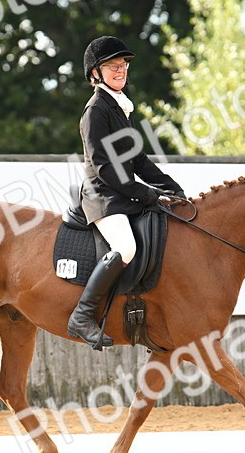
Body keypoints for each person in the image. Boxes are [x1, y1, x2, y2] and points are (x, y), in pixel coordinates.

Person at [66, 36, 185, 349]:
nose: (120, 71)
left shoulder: (121, 107)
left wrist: (170, 186)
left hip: (121, 194)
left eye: (123, 65)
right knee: (126, 247)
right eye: (112, 66)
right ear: (96, 73)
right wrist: (145, 194)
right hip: (102, 196)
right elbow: (104, 167)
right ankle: (83, 314)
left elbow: (138, 160)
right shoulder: (95, 111)